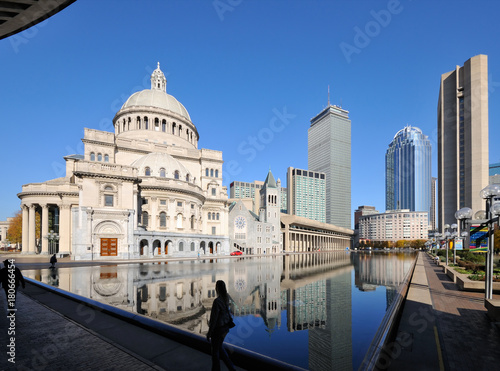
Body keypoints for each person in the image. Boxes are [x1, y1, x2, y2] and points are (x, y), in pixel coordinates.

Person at [207, 280, 236, 371]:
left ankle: (216, 369)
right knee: (220, 348)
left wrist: (209, 332)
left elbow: (214, 319)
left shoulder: (217, 301)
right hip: (225, 328)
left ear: (217, 289)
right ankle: (232, 368)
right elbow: (232, 309)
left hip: (218, 330)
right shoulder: (227, 297)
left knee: (215, 353)